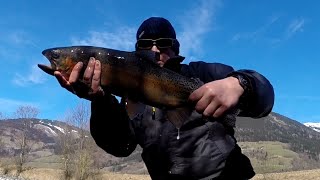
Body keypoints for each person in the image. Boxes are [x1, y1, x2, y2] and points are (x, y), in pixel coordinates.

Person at [54, 17, 274, 180]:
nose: (155, 48)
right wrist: (100, 102)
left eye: (164, 42)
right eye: (146, 44)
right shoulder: (130, 98)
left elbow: (265, 101)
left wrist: (240, 84)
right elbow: (121, 147)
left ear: (175, 48)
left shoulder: (203, 74)